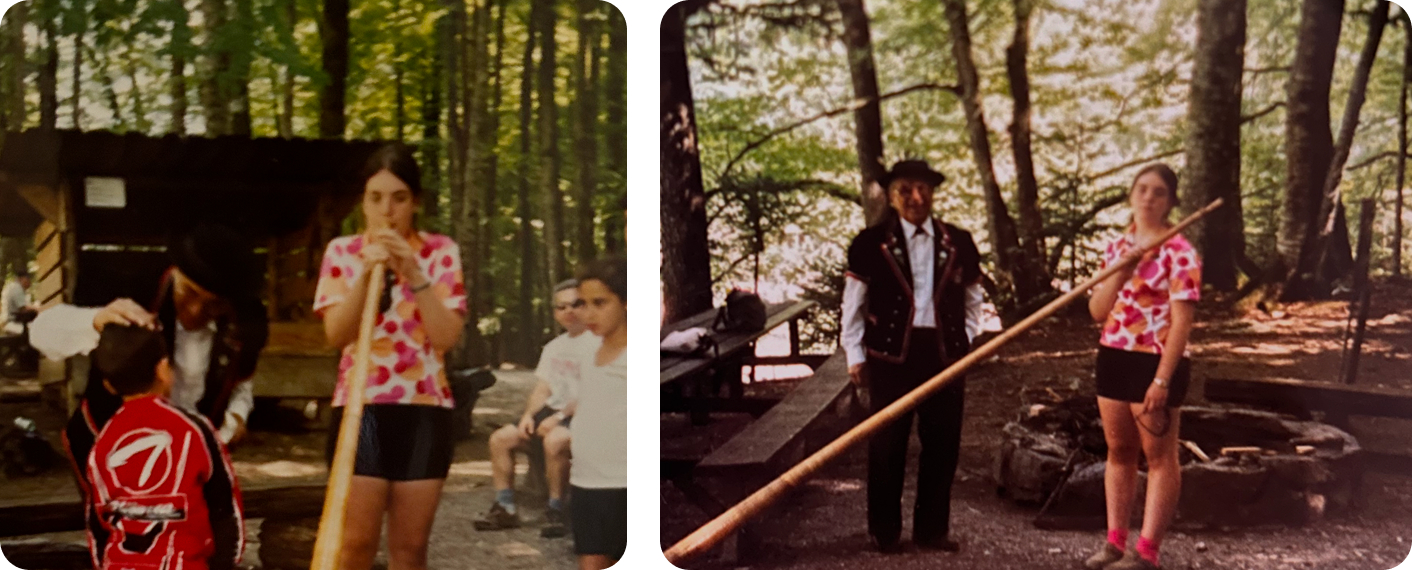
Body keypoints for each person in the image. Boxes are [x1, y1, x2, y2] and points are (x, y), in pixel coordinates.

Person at [313, 143, 466, 570]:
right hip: (362, 411)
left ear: (415, 202)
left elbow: (445, 337)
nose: (387, 210)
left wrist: (414, 273)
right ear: (362, 201)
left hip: (424, 411)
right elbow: (335, 334)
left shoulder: (440, 251)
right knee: (355, 546)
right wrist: (366, 273)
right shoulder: (342, 252)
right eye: (375, 198)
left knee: (410, 549)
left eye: (399, 198)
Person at [29, 223, 269, 480]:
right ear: (175, 272)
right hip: (108, 454)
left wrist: (237, 415)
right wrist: (95, 319)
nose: (197, 311)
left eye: (215, 305)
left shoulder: (244, 323)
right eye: (188, 293)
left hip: (188, 462)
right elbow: (40, 332)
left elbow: (242, 385)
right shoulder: (131, 288)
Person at [840, 159, 985, 553]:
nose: (916, 198)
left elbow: (974, 300)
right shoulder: (870, 243)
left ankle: (932, 531)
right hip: (889, 355)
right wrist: (854, 353)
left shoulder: (959, 241)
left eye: (923, 189)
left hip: (945, 355)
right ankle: (884, 533)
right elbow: (854, 304)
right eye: (905, 190)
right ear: (891, 196)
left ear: (933, 193)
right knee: (887, 443)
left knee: (942, 443)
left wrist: (966, 340)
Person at [1082, 164, 1199, 570]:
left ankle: (1147, 551)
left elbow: (1182, 322)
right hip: (1114, 355)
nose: (1148, 197)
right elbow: (1097, 311)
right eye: (1142, 189)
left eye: (1159, 192)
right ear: (1131, 194)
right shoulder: (1117, 248)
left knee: (1160, 456)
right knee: (1119, 450)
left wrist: (1162, 379)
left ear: (1171, 201)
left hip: (1157, 361)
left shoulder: (1180, 251)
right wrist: (1123, 272)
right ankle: (1114, 544)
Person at [85, 324, 243, 570]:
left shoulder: (103, 442)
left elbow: (97, 524)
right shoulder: (193, 430)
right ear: (163, 369)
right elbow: (226, 508)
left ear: (108, 385)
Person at [475, 279, 599, 537]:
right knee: (501, 439)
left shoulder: (599, 342)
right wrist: (529, 416)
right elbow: (543, 388)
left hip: (588, 416)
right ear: (555, 312)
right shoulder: (555, 347)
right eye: (561, 307)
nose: (569, 311)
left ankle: (556, 510)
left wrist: (559, 416)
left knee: (555, 440)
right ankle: (505, 507)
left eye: (576, 304)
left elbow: (595, 392)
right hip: (555, 413)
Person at [569, 257, 627, 570]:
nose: (588, 314)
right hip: (585, 481)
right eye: (583, 303)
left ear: (626, 302)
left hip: (624, 482)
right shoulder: (584, 347)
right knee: (590, 562)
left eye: (600, 303)